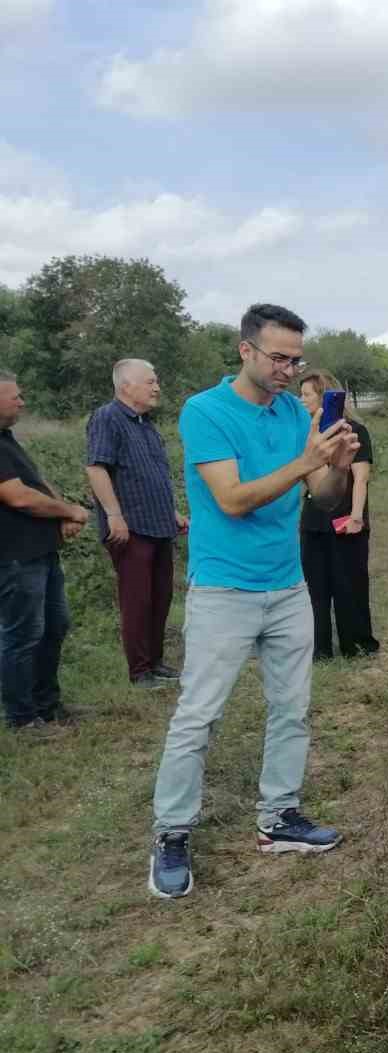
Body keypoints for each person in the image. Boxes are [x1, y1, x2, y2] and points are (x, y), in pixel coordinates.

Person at [146, 304, 361, 901]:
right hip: (224, 591)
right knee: (199, 716)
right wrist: (307, 461)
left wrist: (336, 468)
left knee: (292, 709)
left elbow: (322, 497)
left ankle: (279, 818)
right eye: (279, 357)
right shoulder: (205, 412)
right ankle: (172, 831)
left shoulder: (293, 413)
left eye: (297, 359)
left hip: (287, 586)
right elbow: (234, 499)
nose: (289, 370)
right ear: (246, 351)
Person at [84, 359, 189, 689]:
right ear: (126, 386)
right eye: (150, 381)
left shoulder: (146, 424)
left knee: (160, 598)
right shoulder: (108, 418)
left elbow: (153, 476)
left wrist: (171, 512)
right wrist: (114, 515)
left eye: (156, 381)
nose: (157, 387)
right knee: (137, 600)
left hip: (159, 525)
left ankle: (156, 663)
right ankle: (140, 671)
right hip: (131, 528)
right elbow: (96, 468)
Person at [0, 369, 91, 735]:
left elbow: (34, 482)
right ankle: (22, 719)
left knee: (55, 625)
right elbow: (18, 496)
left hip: (40, 552)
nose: (23, 401)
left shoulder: (7, 439)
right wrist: (69, 511)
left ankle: (47, 705)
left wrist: (61, 510)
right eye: (15, 396)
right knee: (22, 635)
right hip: (14, 557)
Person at [295, 369, 379, 660]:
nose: (301, 399)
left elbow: (361, 478)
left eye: (307, 394)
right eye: (301, 394)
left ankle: (355, 645)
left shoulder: (355, 430)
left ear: (325, 396)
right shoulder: (307, 436)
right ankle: (318, 650)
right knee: (315, 588)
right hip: (314, 520)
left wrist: (357, 516)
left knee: (350, 583)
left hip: (346, 519)